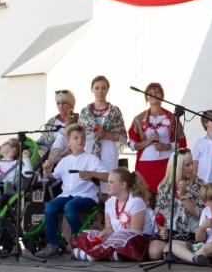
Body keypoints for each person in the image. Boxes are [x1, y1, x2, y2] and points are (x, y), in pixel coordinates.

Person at [35, 124, 109, 258]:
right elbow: (53, 180)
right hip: (67, 195)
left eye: (82, 138)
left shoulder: (91, 159)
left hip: (87, 196)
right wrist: (46, 170)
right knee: (50, 207)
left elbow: (107, 176)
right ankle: (53, 244)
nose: (80, 140)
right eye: (76, 138)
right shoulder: (65, 161)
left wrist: (92, 173)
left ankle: (78, 241)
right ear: (68, 142)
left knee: (70, 206)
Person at [71, 168, 154, 262]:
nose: (108, 185)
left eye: (111, 182)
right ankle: (110, 254)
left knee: (124, 238)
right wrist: (100, 237)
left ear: (123, 184)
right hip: (116, 238)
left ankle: (92, 256)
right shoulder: (109, 202)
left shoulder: (136, 202)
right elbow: (109, 229)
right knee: (88, 235)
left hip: (134, 240)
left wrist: (109, 241)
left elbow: (134, 233)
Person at [127, 83, 187, 195]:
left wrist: (166, 146)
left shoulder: (172, 118)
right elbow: (131, 144)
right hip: (145, 166)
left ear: (162, 96)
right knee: (145, 195)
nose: (153, 94)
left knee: (166, 194)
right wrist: (148, 141)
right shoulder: (139, 119)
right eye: (149, 93)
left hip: (166, 164)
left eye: (156, 92)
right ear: (146, 97)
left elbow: (181, 142)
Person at [79, 76, 127, 194]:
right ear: (92, 90)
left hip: (108, 149)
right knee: (87, 184)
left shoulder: (114, 111)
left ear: (107, 90)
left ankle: (108, 210)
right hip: (89, 148)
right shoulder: (85, 111)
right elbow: (79, 132)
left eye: (103, 88)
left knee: (109, 184)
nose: (100, 91)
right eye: (97, 88)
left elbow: (121, 136)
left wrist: (105, 134)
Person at [153, 149, 204, 242]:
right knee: (154, 252)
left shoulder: (199, 184)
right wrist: (162, 229)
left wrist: (183, 197)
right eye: (188, 165)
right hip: (169, 230)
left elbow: (200, 215)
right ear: (177, 166)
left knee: (170, 250)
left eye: (192, 163)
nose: (192, 168)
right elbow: (158, 212)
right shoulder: (164, 186)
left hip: (189, 232)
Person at [38, 89, 76, 160]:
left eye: (64, 103)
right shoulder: (51, 122)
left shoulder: (78, 120)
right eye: (58, 103)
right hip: (53, 157)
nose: (61, 106)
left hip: (72, 157)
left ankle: (53, 159)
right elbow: (43, 141)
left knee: (61, 137)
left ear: (71, 104)